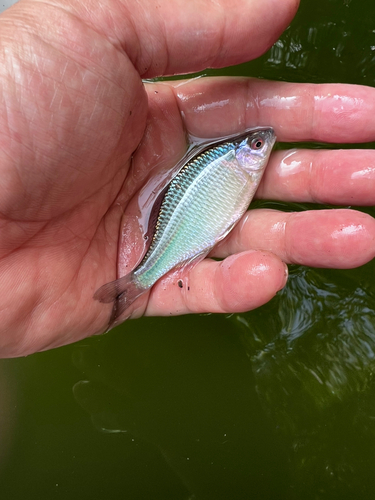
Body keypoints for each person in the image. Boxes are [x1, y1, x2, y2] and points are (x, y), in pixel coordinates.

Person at [0, 0, 374, 357]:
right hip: (176, 232)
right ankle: (139, 279)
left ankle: (138, 280)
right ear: (245, 153)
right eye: (258, 144)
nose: (265, 145)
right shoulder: (229, 164)